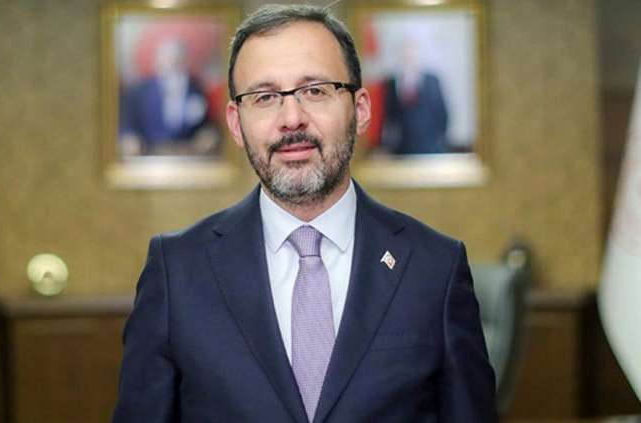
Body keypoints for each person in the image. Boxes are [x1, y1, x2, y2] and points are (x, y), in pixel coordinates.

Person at [113, 4, 496, 422]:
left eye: (315, 90)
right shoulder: (176, 272)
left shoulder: (435, 268)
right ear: (236, 124)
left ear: (360, 109)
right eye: (265, 97)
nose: (292, 119)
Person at [119, 38, 219, 156]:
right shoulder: (140, 91)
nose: (172, 65)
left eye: (177, 60)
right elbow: (127, 125)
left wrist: (208, 135)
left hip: (188, 155)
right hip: (149, 154)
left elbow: (209, 125)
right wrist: (129, 138)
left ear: (186, 62)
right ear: (157, 63)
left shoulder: (198, 89)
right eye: (167, 60)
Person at [379, 38, 449, 155]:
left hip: (431, 147)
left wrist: (439, 140)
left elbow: (442, 114)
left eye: (411, 53)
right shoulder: (391, 83)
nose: (408, 57)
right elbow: (390, 117)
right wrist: (387, 145)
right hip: (402, 149)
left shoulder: (432, 80)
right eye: (404, 54)